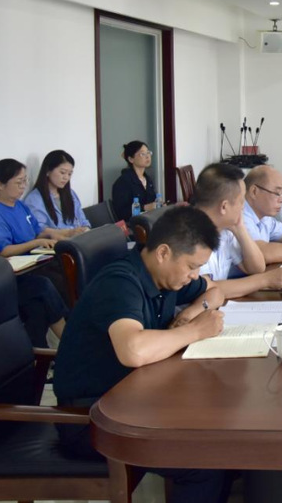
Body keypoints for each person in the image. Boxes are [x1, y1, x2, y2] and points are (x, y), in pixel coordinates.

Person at [53, 206, 231, 502]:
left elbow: (215, 291)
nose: (194, 276)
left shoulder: (164, 276)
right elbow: (133, 351)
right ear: (163, 253)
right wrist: (194, 331)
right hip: (93, 418)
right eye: (191, 266)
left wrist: (191, 312)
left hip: (135, 399)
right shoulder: (119, 282)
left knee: (224, 432)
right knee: (204, 460)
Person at [194, 163, 282, 296]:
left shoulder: (226, 230)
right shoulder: (191, 237)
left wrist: (240, 229)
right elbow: (206, 289)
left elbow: (256, 268)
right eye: (241, 201)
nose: (243, 207)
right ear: (224, 207)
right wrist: (265, 280)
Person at [0, 159, 72, 256]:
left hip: (35, 256)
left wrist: (51, 235)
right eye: (19, 182)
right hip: (15, 262)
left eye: (25, 181)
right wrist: (36, 243)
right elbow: (3, 251)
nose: (23, 186)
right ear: (0, 185)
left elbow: (36, 232)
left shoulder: (20, 205)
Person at [24, 149, 90, 233]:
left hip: (80, 238)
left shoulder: (71, 193)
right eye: (62, 172)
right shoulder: (34, 199)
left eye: (69, 174)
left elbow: (83, 220)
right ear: (48, 171)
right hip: (58, 240)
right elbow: (39, 229)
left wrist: (86, 229)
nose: (66, 177)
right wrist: (69, 233)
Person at [110, 140, 157, 221]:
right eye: (143, 154)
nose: (147, 156)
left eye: (148, 152)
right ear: (131, 159)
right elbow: (121, 213)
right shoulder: (123, 182)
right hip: (133, 224)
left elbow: (153, 200)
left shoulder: (148, 179)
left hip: (150, 219)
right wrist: (145, 207)